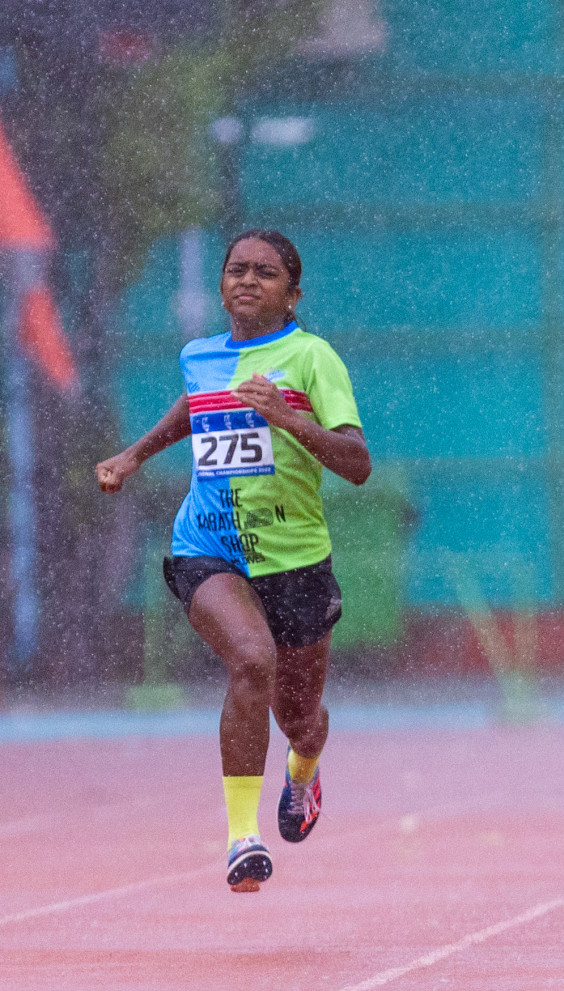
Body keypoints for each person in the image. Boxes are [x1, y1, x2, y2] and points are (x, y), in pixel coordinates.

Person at [97, 229, 370, 891]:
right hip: (208, 547)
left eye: (266, 273)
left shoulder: (311, 358)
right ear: (222, 284)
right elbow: (198, 406)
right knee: (251, 659)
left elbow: (357, 464)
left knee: (299, 717)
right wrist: (134, 455)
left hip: (295, 560)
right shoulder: (201, 355)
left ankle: (303, 770)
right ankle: (241, 838)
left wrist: (289, 420)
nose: (249, 281)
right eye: (237, 270)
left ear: (292, 293)